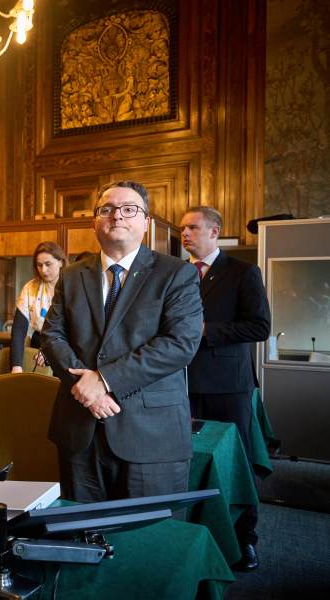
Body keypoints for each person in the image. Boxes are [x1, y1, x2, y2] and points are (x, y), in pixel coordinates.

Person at [41, 181, 203, 502]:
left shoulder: (175, 274)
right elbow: (52, 335)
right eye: (107, 209)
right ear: (95, 222)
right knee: (82, 537)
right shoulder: (72, 275)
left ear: (145, 222)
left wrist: (104, 380)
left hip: (150, 434)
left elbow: (179, 344)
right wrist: (88, 393)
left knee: (149, 541)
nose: (117, 216)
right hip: (80, 430)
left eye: (129, 209)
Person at [181, 205, 270, 571]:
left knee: (236, 463)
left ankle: (244, 541)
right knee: (190, 462)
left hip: (228, 387)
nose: (185, 234)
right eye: (183, 229)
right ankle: (198, 535)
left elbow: (259, 327)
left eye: (192, 228)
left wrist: (207, 331)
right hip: (181, 384)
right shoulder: (177, 275)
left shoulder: (243, 272)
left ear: (214, 232)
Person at [10, 241, 67, 372]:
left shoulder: (73, 286)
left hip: (65, 346)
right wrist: (16, 365)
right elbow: (19, 330)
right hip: (38, 343)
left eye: (48, 264)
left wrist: (50, 351)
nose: (44, 270)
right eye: (39, 265)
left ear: (60, 262)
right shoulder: (30, 288)